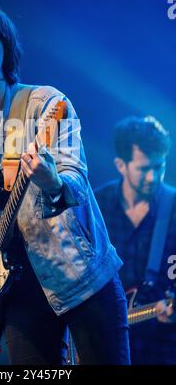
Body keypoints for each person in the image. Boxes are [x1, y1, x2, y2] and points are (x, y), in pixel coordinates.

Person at [0, 0, 130, 365]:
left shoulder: (45, 104)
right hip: (15, 289)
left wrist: (51, 179)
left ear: (5, 49)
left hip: (78, 277)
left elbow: (76, 180)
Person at [95, 115, 176, 364]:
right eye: (144, 168)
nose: (153, 177)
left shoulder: (172, 208)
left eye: (159, 167)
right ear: (121, 165)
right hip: (104, 344)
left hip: (162, 348)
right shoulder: (97, 205)